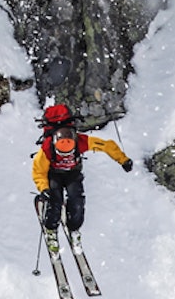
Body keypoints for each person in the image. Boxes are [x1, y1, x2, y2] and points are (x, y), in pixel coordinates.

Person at [32, 104, 133, 250]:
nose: (65, 155)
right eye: (62, 153)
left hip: (72, 173)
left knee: (77, 200)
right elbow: (38, 170)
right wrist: (44, 188)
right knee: (55, 200)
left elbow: (106, 145)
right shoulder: (47, 148)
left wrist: (123, 160)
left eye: (68, 152)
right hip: (54, 175)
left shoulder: (81, 141)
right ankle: (51, 230)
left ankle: (74, 229)